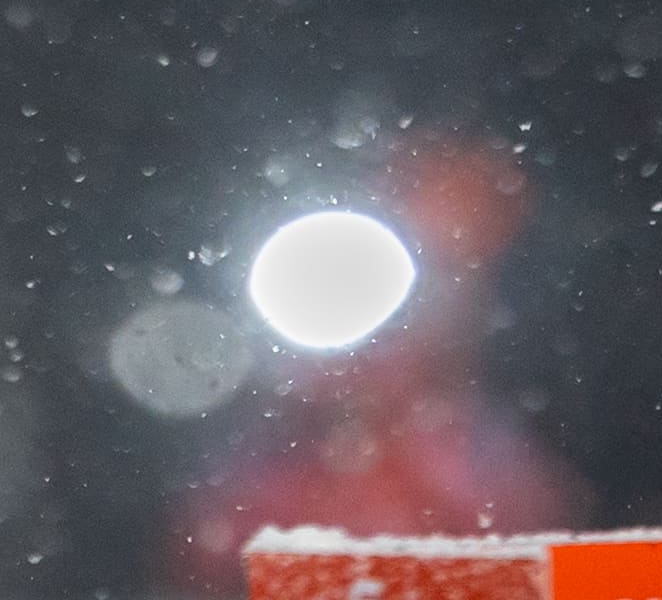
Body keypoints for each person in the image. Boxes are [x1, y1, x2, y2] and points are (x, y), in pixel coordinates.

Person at [165, 137, 587, 590]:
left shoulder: (489, 461)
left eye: (452, 264)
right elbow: (202, 562)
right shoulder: (266, 456)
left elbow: (539, 562)